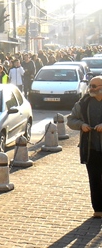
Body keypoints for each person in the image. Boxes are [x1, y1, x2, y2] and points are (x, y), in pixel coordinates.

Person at [67, 76, 102, 218]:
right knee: (94, 179)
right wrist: (81, 125)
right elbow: (70, 120)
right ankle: (98, 209)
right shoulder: (83, 102)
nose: (91, 88)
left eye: (94, 86)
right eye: (90, 85)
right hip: (90, 148)